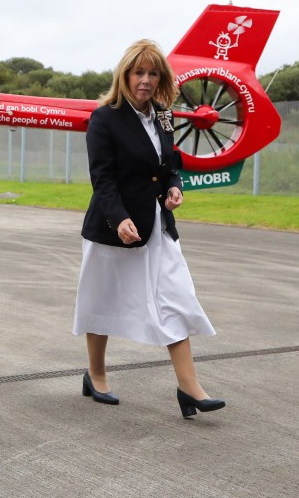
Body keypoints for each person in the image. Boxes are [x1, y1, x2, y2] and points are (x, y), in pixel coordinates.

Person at [73, 38, 225, 418]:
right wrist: (118, 217)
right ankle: (96, 373)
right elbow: (102, 179)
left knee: (176, 294)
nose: (145, 80)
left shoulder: (163, 115)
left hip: (157, 225)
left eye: (152, 73)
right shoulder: (104, 118)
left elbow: (169, 165)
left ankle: (190, 387)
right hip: (115, 225)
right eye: (138, 72)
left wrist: (174, 187)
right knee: (102, 297)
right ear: (124, 75)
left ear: (161, 78)